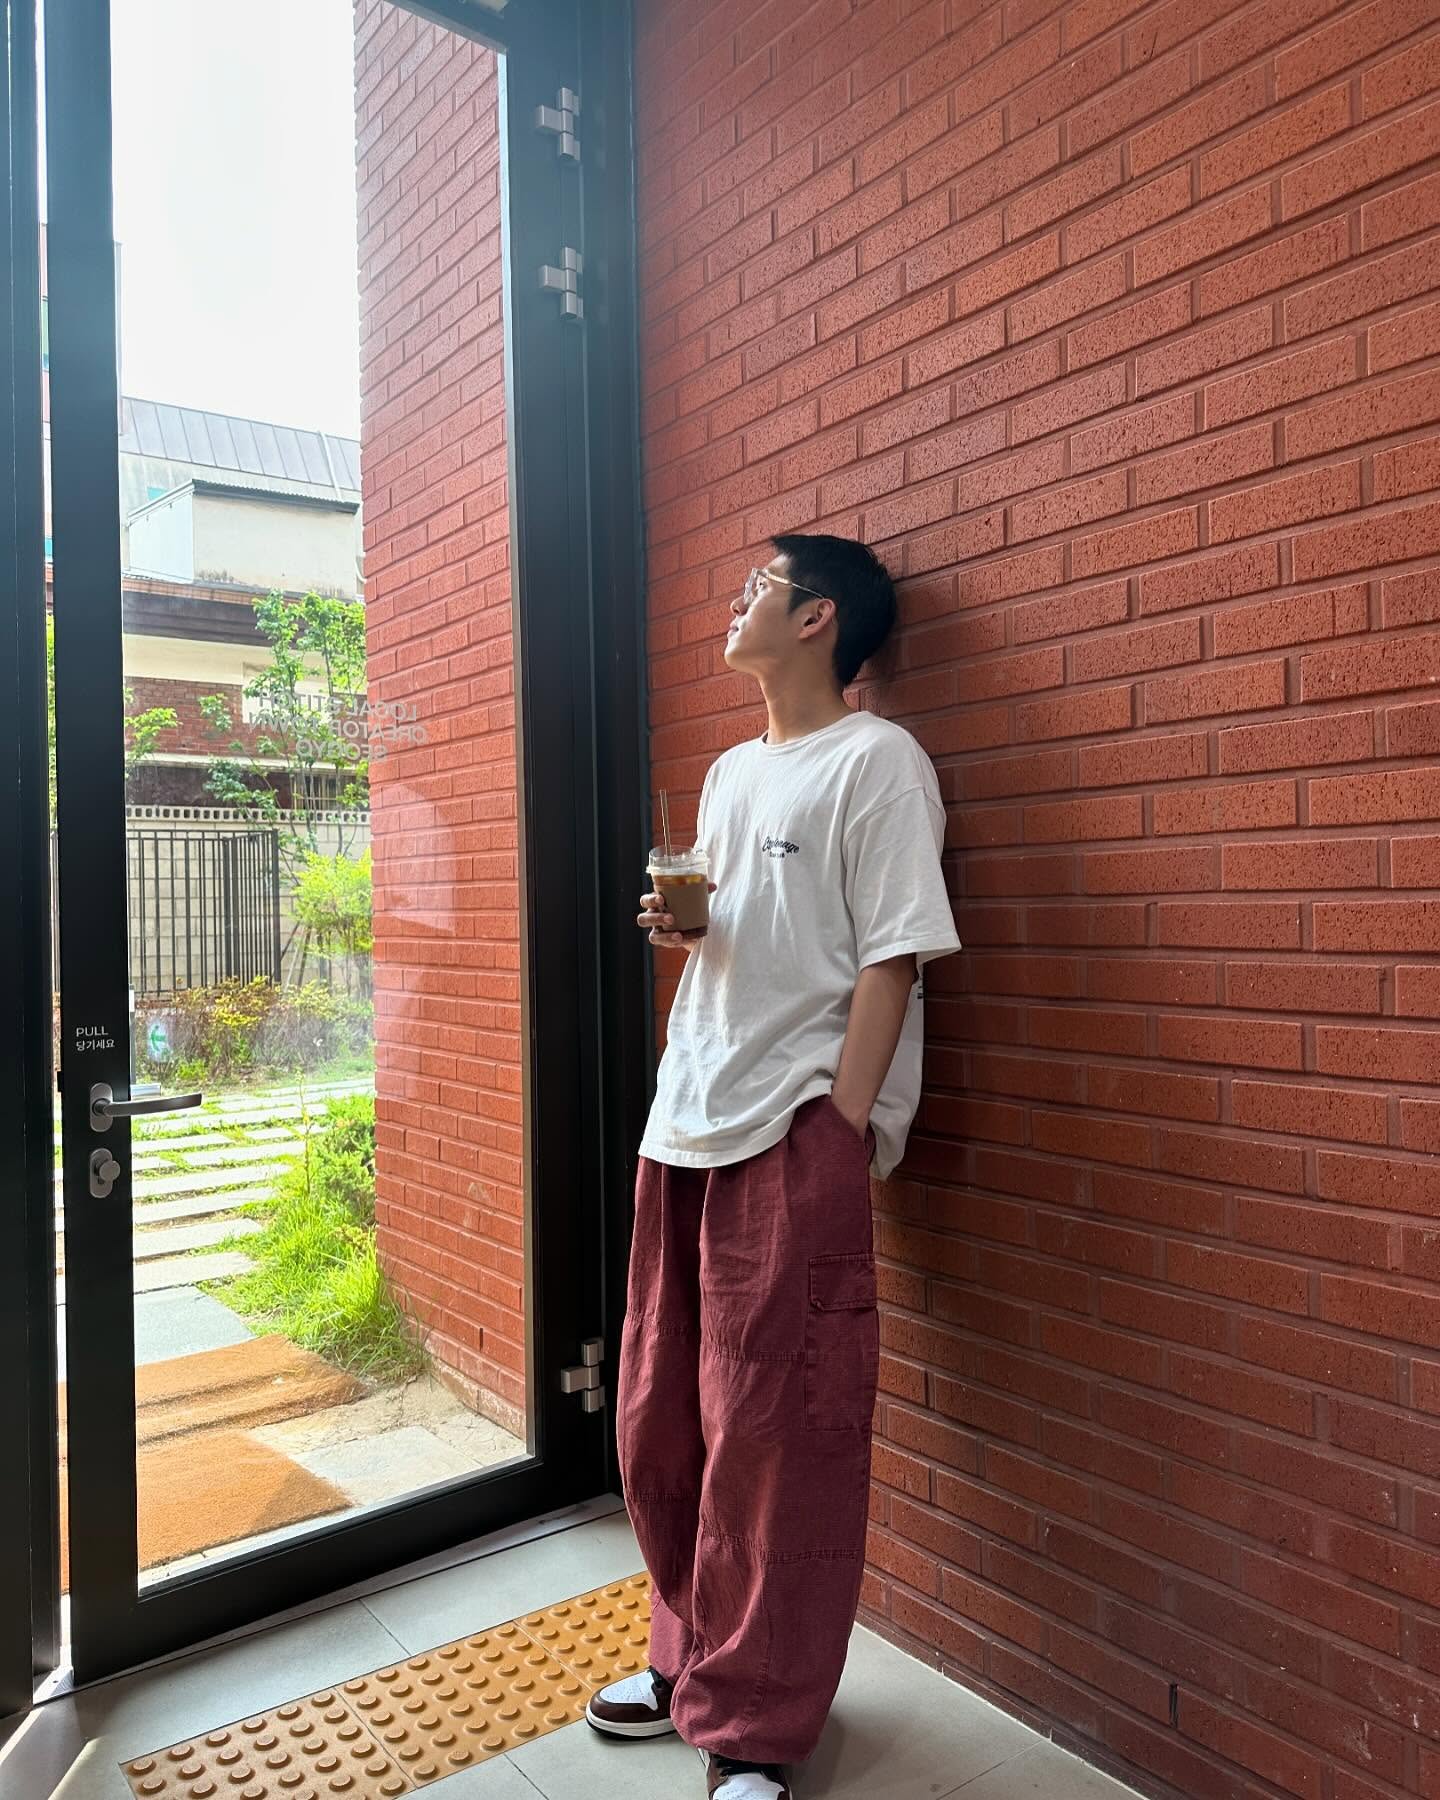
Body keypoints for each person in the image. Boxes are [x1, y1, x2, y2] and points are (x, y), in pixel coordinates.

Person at [590, 533, 962, 1799]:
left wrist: (842, 1127)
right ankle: (692, 1656)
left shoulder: (879, 761)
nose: (738, 597)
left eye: (760, 584)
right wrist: (688, 930)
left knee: (776, 1435)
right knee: (662, 1418)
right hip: (686, 1118)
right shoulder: (731, 771)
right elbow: (752, 938)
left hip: (793, 1127)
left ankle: (754, 1723)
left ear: (818, 620)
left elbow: (894, 955)